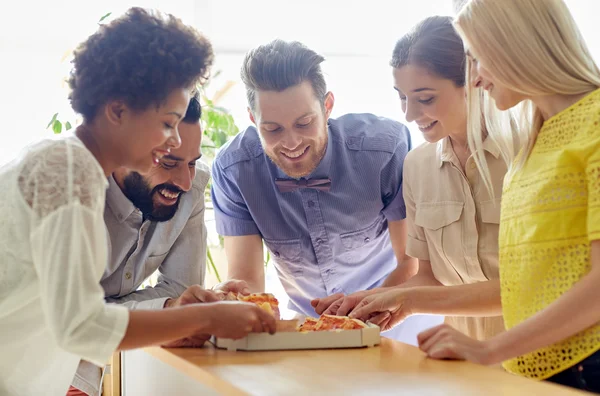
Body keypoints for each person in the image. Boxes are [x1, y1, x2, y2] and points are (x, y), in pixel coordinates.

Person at [0, 8, 275, 396]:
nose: (173, 141)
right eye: (167, 123)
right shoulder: (66, 171)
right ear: (117, 111)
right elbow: (83, 327)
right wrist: (205, 317)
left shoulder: (69, 164)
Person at [414, 0, 600, 392]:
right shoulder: (536, 141)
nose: (477, 78)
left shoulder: (596, 124)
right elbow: (522, 287)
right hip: (536, 375)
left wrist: (489, 349)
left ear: (516, 47)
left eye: (479, 59)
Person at [211, 39, 442, 344]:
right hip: (309, 329)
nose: (291, 142)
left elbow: (410, 263)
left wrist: (361, 310)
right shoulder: (234, 170)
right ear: (253, 120)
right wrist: (231, 299)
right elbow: (247, 278)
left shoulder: (384, 149)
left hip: (397, 320)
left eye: (304, 123)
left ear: (327, 106)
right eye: (273, 129)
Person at [325, 16, 509, 344]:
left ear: (474, 81)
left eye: (425, 99)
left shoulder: (525, 153)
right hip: (460, 359)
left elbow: (535, 286)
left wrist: (410, 301)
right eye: (402, 97)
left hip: (540, 358)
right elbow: (429, 277)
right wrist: (364, 303)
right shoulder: (417, 166)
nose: (409, 115)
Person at [69, 93, 250, 396]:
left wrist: (175, 308)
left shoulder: (190, 188)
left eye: (192, 162)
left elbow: (178, 292)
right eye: (168, 162)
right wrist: (174, 314)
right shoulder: (73, 189)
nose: (184, 182)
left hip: (101, 361)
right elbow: (77, 320)